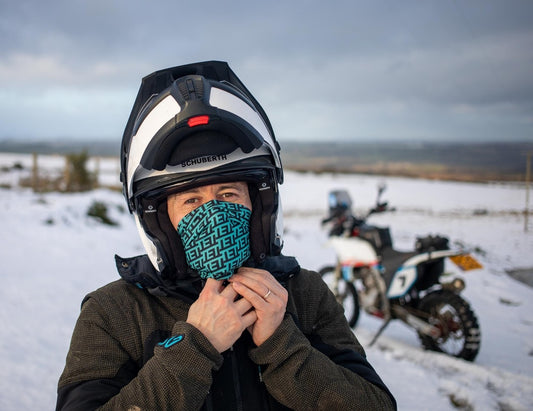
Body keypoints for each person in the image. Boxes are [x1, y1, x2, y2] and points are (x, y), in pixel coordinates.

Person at [56, 61, 396, 410]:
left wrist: (283, 345)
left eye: (229, 194)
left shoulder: (304, 295)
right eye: (191, 200)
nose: (214, 212)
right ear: (161, 220)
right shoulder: (115, 312)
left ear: (258, 204)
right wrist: (194, 348)